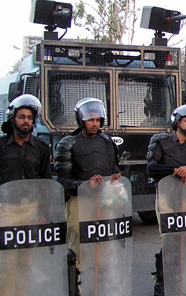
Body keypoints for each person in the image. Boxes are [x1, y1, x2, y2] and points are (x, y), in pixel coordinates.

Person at [54, 98, 121, 295]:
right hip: (79, 202)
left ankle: (99, 287)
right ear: (81, 119)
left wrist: (115, 176)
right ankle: (75, 289)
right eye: (91, 120)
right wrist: (84, 185)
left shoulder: (108, 143)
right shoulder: (68, 144)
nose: (95, 124)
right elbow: (62, 182)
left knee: (104, 249)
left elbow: (114, 168)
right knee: (77, 250)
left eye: (98, 120)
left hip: (104, 202)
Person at [146, 104, 186, 296]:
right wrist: (174, 171)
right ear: (177, 121)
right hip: (166, 197)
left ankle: (181, 279)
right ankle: (162, 283)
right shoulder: (160, 143)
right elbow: (151, 168)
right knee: (169, 241)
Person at [0, 95, 52, 296]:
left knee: (24, 262)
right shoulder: (1, 146)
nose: (26, 121)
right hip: (7, 210)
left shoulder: (41, 148)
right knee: (7, 262)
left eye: (30, 117)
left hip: (31, 211)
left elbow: (46, 183)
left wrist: (43, 213)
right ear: (13, 119)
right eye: (22, 117)